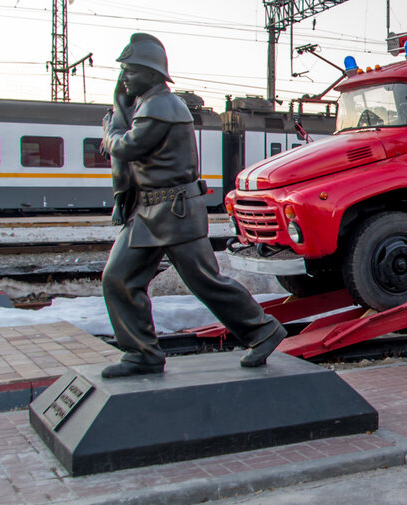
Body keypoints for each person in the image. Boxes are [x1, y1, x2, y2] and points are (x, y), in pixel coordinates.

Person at [99, 33, 286, 378]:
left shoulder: (162, 106)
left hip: (175, 211)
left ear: (153, 74)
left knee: (204, 281)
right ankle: (142, 353)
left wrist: (110, 132)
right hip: (148, 212)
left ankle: (263, 330)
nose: (124, 77)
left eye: (131, 70)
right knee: (118, 278)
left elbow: (127, 147)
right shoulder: (145, 103)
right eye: (123, 71)